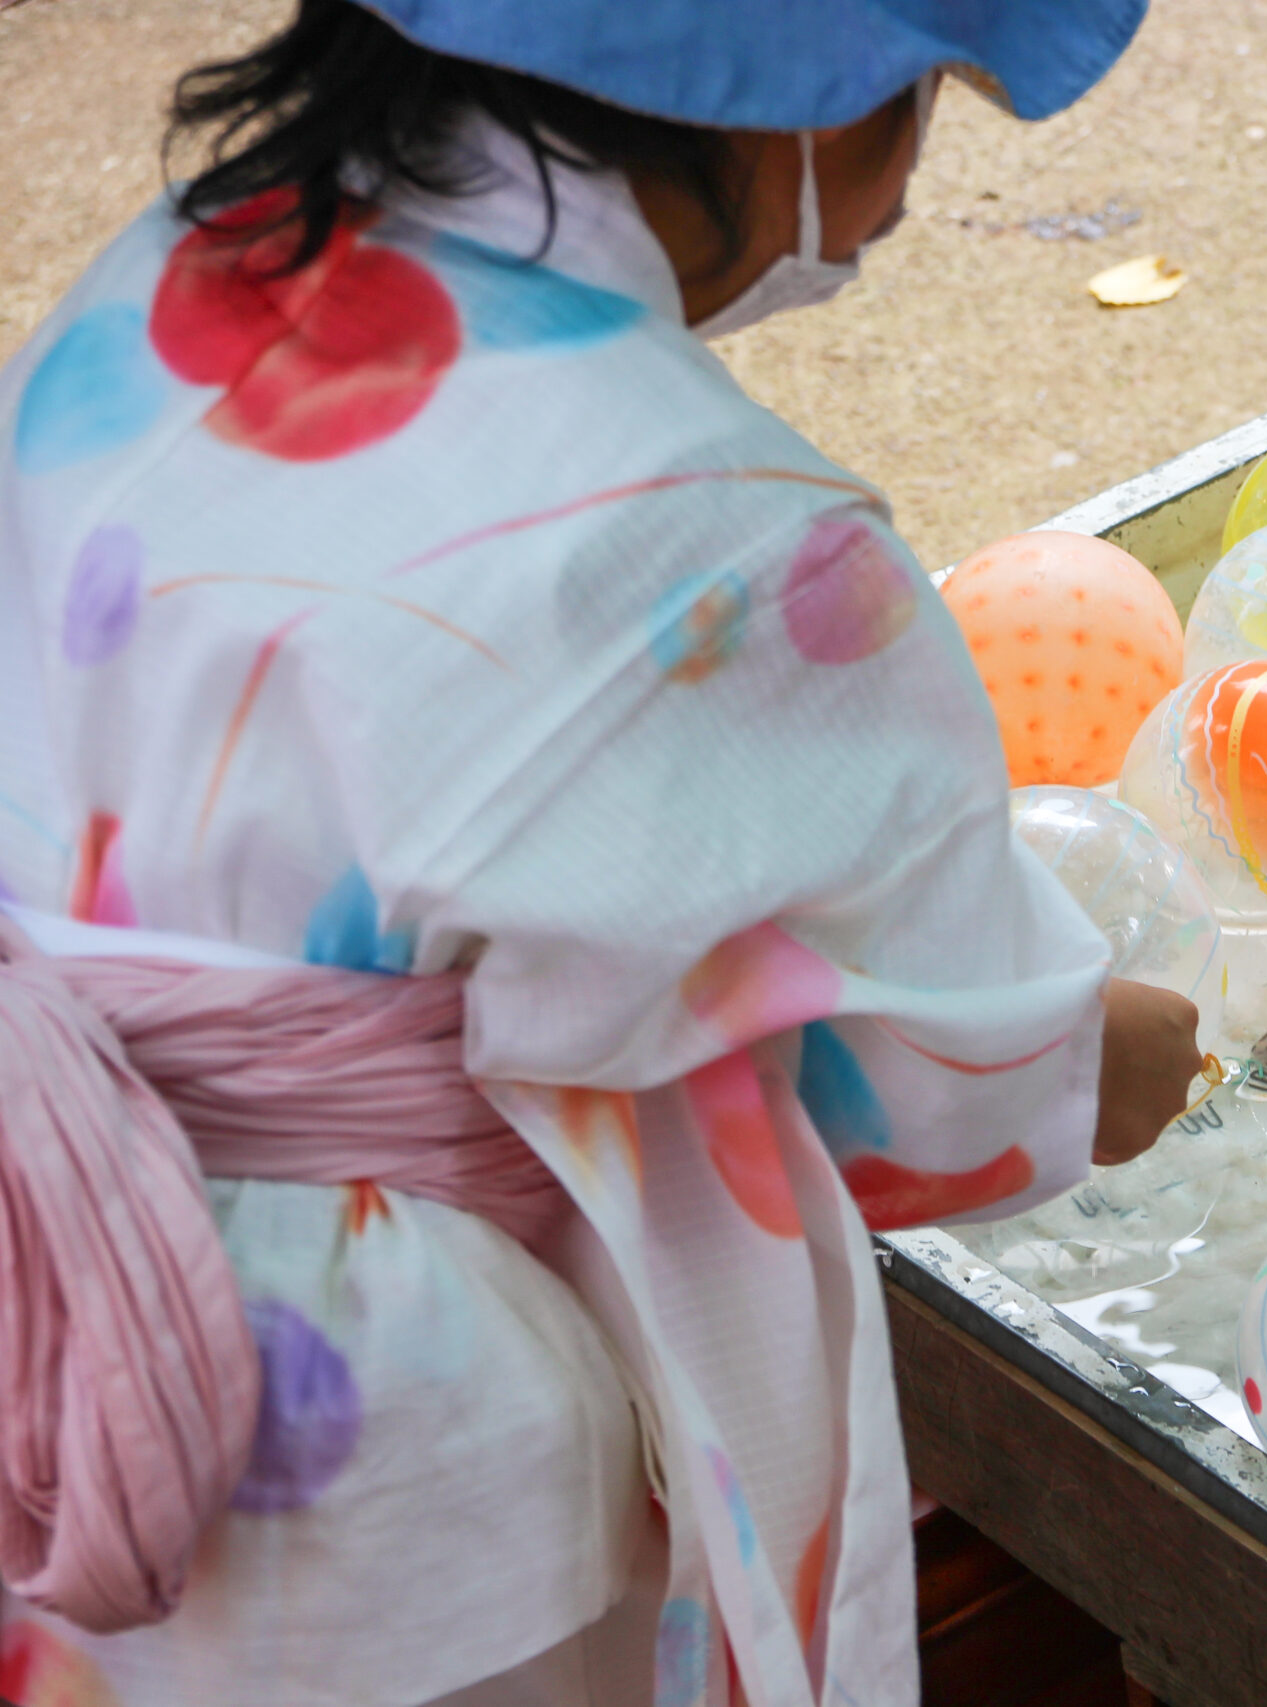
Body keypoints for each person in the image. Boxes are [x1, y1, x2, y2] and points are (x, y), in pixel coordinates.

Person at [0, 1, 1202, 1703]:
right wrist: (1115, 1054)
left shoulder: (177, 277)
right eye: (924, 87)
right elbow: (943, 1077)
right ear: (782, 88)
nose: (919, 157)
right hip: (353, 1444)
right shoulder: (707, 533)